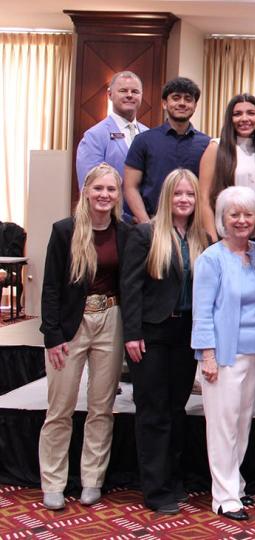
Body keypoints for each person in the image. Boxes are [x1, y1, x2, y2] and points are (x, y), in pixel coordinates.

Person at [39, 163, 131, 511]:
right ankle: (53, 482)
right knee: (60, 408)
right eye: (98, 189)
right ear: (86, 191)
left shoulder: (124, 233)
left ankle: (92, 478)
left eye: (111, 190)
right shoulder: (64, 231)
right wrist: (52, 335)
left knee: (101, 408)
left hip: (111, 319)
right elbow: (50, 287)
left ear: (118, 195)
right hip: (70, 325)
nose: (104, 195)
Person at [120, 168, 210, 514]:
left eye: (189, 194)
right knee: (153, 412)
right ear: (167, 197)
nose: (184, 200)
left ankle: (173, 480)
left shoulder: (201, 237)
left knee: (175, 410)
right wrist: (132, 334)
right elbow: (130, 288)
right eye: (178, 194)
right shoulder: (145, 235)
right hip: (152, 335)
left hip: (186, 335)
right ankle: (155, 490)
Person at [191, 186, 255, 521]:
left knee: (242, 423)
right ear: (222, 219)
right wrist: (206, 355)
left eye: (248, 214)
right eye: (234, 214)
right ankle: (223, 496)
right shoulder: (211, 258)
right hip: (222, 356)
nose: (241, 220)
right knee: (221, 426)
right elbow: (202, 311)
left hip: (254, 355)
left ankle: (234, 483)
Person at [124, 77, 210, 223]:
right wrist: (147, 225)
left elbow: (208, 192)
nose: (182, 103)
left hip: (192, 229)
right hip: (153, 224)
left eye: (188, 99)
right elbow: (130, 187)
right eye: (176, 98)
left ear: (195, 106)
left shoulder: (207, 144)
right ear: (164, 103)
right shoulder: (143, 141)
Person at [198, 93, 255, 239]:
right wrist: (213, 239)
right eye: (237, 114)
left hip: (254, 235)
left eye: (251, 113)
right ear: (230, 119)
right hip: (223, 234)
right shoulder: (216, 147)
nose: (244, 119)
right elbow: (203, 198)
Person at [75, 71, 148, 193]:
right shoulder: (94, 136)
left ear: (141, 95)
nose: (129, 95)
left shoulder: (149, 134)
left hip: (147, 211)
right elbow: (89, 188)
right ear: (110, 94)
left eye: (135, 91)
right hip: (111, 211)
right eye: (123, 91)